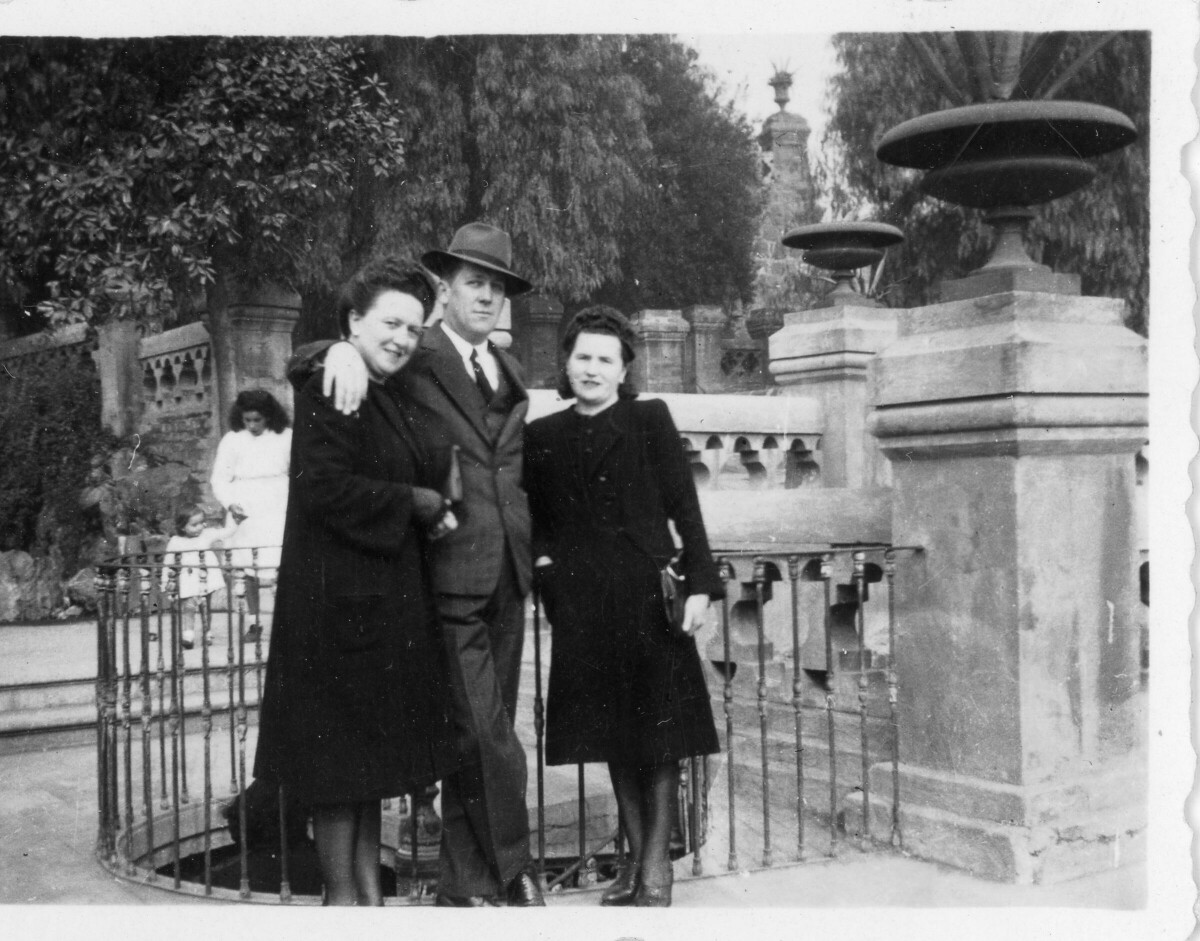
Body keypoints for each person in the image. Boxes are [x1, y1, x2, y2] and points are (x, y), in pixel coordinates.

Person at [291, 222, 543, 907]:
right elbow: (341, 356)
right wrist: (332, 349)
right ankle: (514, 869)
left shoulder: (510, 368)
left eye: (497, 287)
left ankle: (463, 888)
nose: (486, 296)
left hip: (509, 573)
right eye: (474, 282)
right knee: (483, 733)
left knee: (484, 730)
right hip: (447, 574)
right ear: (446, 290)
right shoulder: (414, 350)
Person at [253, 260, 459, 906]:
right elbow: (324, 489)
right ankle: (345, 905)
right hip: (335, 615)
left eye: (413, 328)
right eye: (390, 323)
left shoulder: (384, 387)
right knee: (339, 775)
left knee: (363, 773)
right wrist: (415, 503)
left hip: (370, 613)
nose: (402, 338)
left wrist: (433, 498)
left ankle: (367, 900)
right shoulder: (334, 381)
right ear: (353, 322)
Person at [522, 306, 723, 908]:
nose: (592, 368)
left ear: (623, 369)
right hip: (583, 606)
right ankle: (635, 862)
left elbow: (685, 508)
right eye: (582, 356)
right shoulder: (543, 435)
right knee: (612, 735)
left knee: (657, 735)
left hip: (646, 599)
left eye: (605, 359)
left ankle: (656, 865)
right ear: (566, 363)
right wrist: (548, 576)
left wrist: (700, 585)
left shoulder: (647, 419)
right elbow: (536, 522)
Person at [210, 389, 292, 643]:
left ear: (269, 416)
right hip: (245, 505)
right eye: (247, 420)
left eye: (258, 419)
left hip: (277, 503)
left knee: (282, 565)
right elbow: (219, 478)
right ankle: (254, 622)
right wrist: (230, 503)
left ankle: (286, 622)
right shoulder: (232, 440)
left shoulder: (286, 437)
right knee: (247, 567)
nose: (252, 425)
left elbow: (298, 472)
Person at [162, 504, 236, 649]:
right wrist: (166, 581)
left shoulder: (206, 534)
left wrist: (235, 520)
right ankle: (188, 635)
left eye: (202, 522)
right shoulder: (176, 541)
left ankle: (207, 631)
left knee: (205, 606)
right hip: (188, 579)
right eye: (194, 525)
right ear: (182, 527)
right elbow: (168, 562)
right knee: (188, 606)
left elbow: (226, 532)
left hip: (206, 578)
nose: (199, 527)